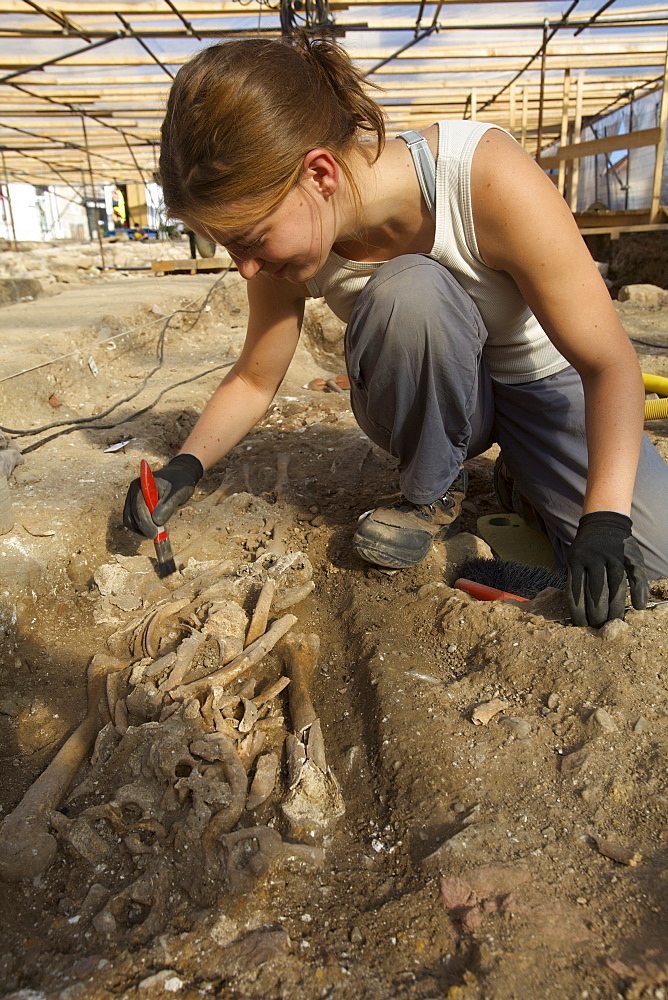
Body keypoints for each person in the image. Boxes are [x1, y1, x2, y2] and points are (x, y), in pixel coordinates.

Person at [123, 33, 668, 628]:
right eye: (229, 246)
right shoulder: (288, 241)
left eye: (250, 240)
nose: (244, 267)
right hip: (440, 398)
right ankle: (435, 489)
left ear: (320, 174)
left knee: (654, 566)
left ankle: (525, 475)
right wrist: (186, 465)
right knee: (411, 295)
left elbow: (608, 364)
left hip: (543, 383)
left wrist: (606, 521)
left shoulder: (483, 177)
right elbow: (256, 378)